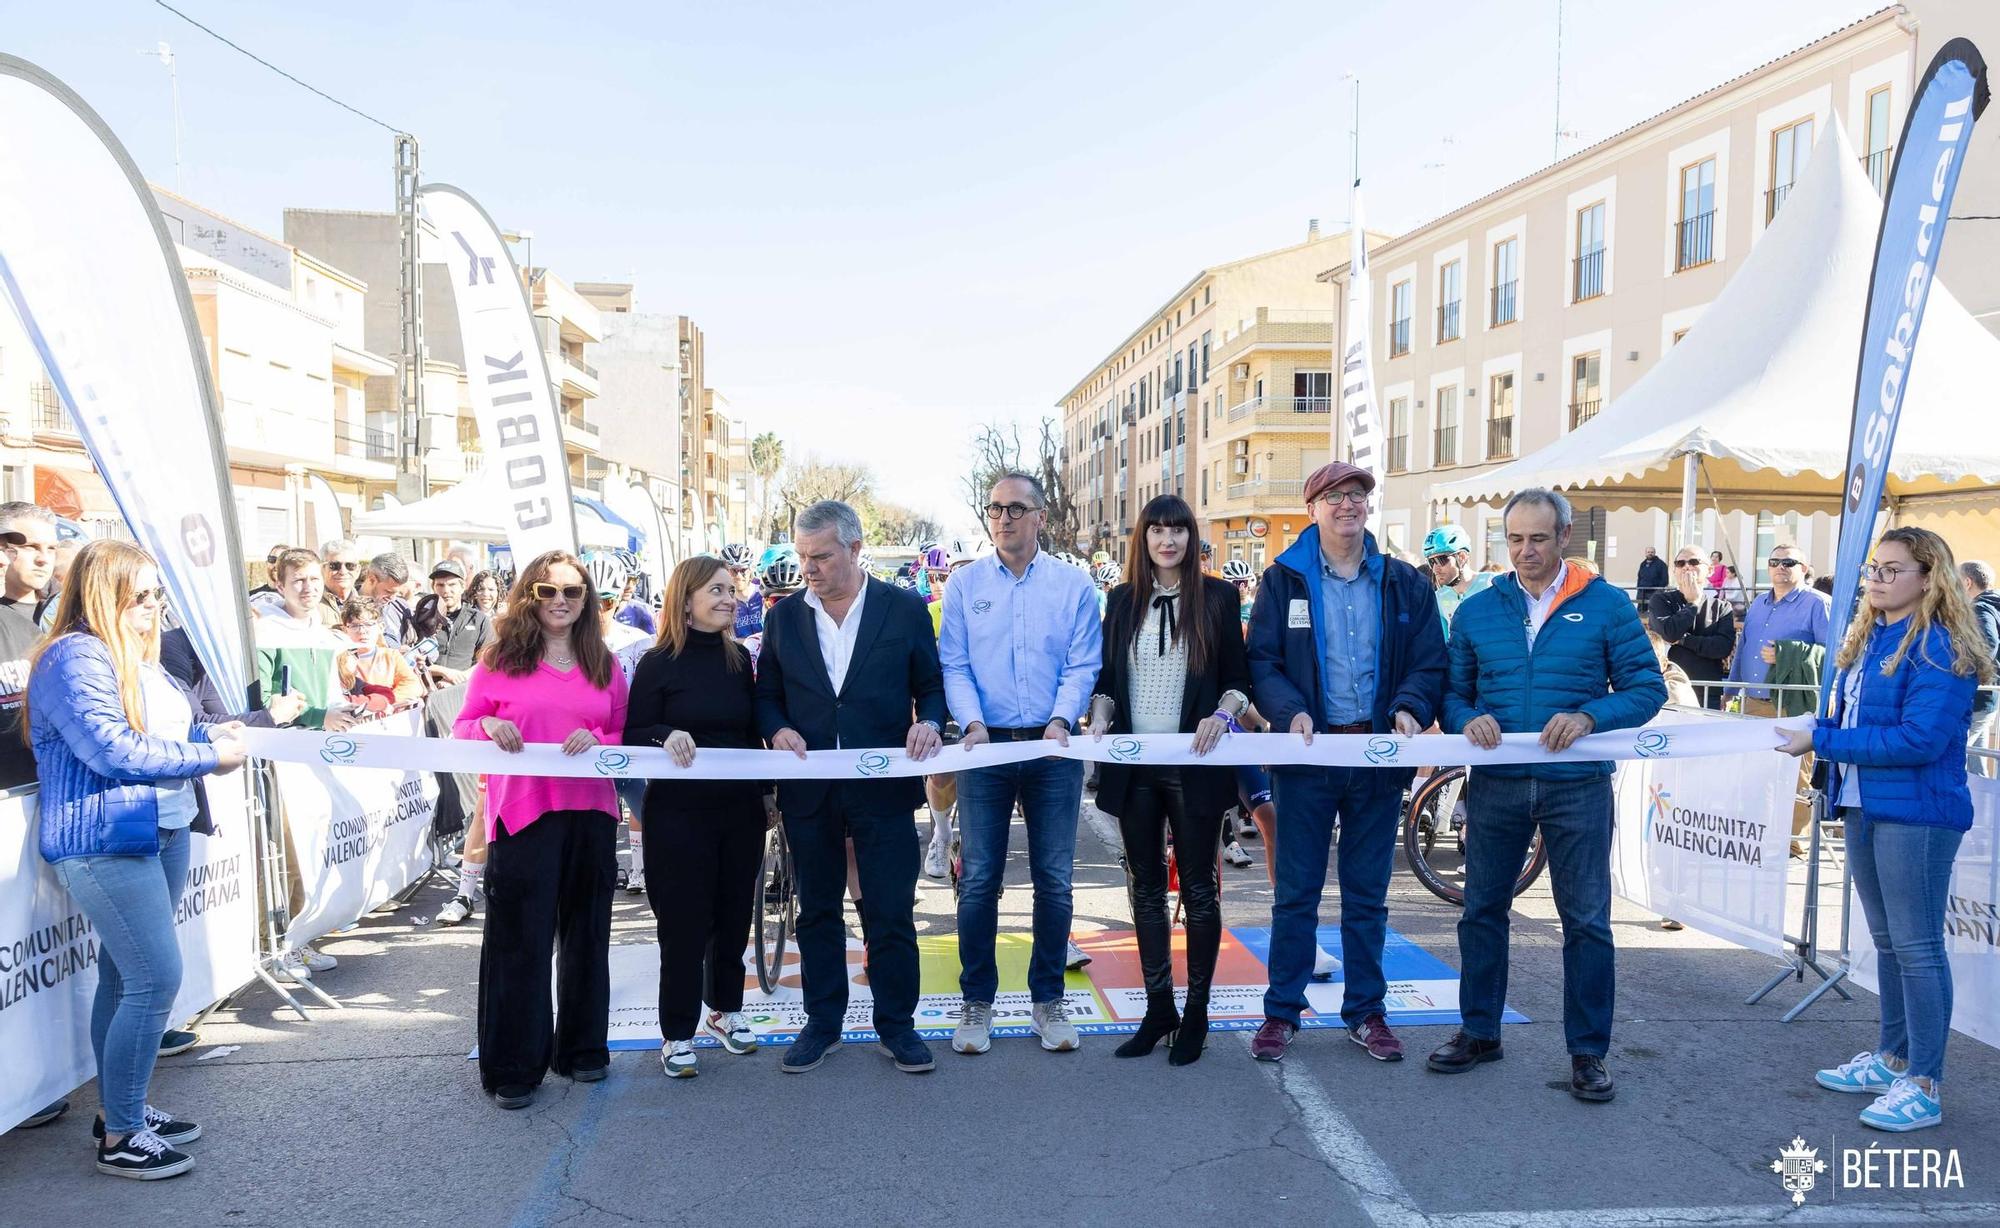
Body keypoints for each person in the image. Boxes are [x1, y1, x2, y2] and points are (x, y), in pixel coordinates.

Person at [1432, 487, 1665, 1101]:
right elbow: (1451, 693)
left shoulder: (1608, 604)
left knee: (1586, 922)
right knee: (1482, 911)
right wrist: (1465, 719)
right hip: (1497, 787)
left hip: (1578, 788)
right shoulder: (1480, 610)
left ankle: (1588, 1053)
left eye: (1538, 538)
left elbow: (1646, 689)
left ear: (1566, 537)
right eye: (1514, 540)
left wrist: (1591, 715)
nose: (1526, 551)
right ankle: (1479, 1030)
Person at [28, 540, 248, 1179]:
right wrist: (211, 757)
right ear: (103, 593)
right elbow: (113, 750)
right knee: (154, 980)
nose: (152, 608)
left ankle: (121, 1111)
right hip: (102, 838)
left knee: (127, 980)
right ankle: (121, 1136)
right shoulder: (75, 656)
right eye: (139, 596)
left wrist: (232, 734)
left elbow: (174, 734)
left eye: (157, 596)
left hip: (163, 828)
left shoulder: (136, 655)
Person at [1781, 528, 1993, 1133]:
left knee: (1918, 947)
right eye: (1874, 568)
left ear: (1930, 578)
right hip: (1864, 805)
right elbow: (1858, 717)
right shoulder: (1873, 636)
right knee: (1891, 942)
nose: (1875, 578)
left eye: (1892, 570)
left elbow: (1918, 740)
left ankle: (1924, 1082)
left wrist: (1821, 738)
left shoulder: (1941, 645)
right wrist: (1820, 728)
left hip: (1918, 814)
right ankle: (1894, 1058)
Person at [1245, 462, 1447, 1064]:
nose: (1347, 506)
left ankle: (1366, 1012)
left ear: (1368, 507)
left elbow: (1428, 660)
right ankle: (1282, 1011)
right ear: (1312, 509)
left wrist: (1411, 706)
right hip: (1308, 757)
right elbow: (1263, 662)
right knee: (1297, 892)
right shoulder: (1283, 581)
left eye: (1357, 495)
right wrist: (1290, 712)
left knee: (1367, 895)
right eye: (1333, 497)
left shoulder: (1404, 582)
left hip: (1376, 759)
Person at [757, 500, 946, 1075]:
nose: (808, 568)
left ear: (855, 549)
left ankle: (898, 1026)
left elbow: (931, 687)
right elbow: (766, 695)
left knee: (889, 911)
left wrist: (930, 722)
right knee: (815, 911)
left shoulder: (904, 609)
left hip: (882, 792)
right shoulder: (784, 617)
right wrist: (779, 727)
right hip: (809, 793)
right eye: (802, 556)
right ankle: (823, 1023)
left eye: (820, 556)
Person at [454, 551, 629, 1110]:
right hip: (523, 814)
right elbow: (460, 728)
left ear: (587, 601)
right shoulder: (498, 660)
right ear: (528, 594)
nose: (559, 601)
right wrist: (487, 722)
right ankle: (513, 1066)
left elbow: (624, 732)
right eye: (547, 591)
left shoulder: (604, 661)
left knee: (586, 937)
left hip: (592, 815)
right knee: (518, 942)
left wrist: (599, 742)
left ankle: (582, 1050)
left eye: (572, 593)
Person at [938, 475, 1102, 1055]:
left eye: (1016, 508)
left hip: (1052, 750)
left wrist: (1061, 720)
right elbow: (953, 664)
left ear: (1040, 516)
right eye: (995, 508)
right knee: (980, 879)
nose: (1003, 518)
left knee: (1053, 882)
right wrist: (973, 723)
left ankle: (1048, 1000)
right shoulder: (964, 585)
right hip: (986, 749)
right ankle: (976, 1002)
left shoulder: (1073, 585)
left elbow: (1083, 664)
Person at [1090, 495, 1251, 1065]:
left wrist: (1222, 715)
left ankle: (1198, 1015)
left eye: (1177, 530)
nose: (1167, 540)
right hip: (1136, 769)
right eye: (1157, 530)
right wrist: (1102, 716)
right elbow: (1108, 679)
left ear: (1190, 537)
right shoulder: (1122, 600)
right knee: (1145, 887)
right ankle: (1159, 1007)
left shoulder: (1217, 598)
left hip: (1195, 767)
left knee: (1200, 890)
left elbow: (1238, 678)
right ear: (1144, 538)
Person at [624, 556, 771, 1077]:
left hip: (739, 811)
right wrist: (667, 734)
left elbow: (752, 733)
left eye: (732, 590)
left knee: (732, 920)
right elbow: (633, 732)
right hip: (678, 817)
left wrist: (769, 796)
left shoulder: (740, 659)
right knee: (684, 928)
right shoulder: (657, 662)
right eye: (717, 590)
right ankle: (676, 1032)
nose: (730, 598)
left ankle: (725, 1012)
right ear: (685, 599)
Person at [250, 547, 359, 982]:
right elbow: (264, 702)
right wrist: (318, 716)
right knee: (285, 853)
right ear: (279, 585)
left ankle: (299, 938)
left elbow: (330, 690)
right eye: (298, 581)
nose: (309, 588)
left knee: (312, 849)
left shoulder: (323, 631)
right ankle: (275, 944)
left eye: (314, 579)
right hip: (283, 753)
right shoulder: (267, 633)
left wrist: (345, 710)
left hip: (317, 752)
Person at [1728, 544, 1830, 855]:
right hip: (1754, 701)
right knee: (1754, 771)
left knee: (1796, 773)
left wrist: (1789, 654)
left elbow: (1836, 654)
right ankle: (1758, 833)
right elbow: (1743, 646)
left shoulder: (1818, 603)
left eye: (1789, 562)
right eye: (1774, 561)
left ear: (1804, 568)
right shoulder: (1759, 602)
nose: (1780, 567)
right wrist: (1731, 689)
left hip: (1794, 703)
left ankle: (1791, 841)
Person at [587, 552, 654, 892]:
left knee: (644, 808)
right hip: (585, 744)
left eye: (608, 601)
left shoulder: (637, 640)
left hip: (627, 740)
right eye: (593, 600)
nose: (600, 610)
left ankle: (643, 868)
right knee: (596, 814)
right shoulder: (564, 640)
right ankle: (602, 869)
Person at [0, 506, 59, 789]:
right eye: (31, 547)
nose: (43, 559)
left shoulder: (69, 617)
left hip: (67, 791)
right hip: (11, 794)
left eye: (51, 548)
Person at [1648, 547, 1737, 710]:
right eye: (1680, 563)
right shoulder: (1660, 601)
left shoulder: (1722, 607)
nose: (1687, 567)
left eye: (1694, 562)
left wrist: (1683, 640)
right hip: (1668, 690)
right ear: (1674, 570)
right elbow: (1668, 633)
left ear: (1710, 570)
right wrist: (1693, 603)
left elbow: (1722, 648)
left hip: (1706, 693)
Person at [408, 560, 494, 686]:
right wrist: (444, 672)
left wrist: (459, 678)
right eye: (440, 585)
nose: (446, 590)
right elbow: (410, 659)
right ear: (433, 587)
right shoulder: (420, 618)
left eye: (452, 584)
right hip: (427, 689)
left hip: (464, 690)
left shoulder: (479, 620)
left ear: (462, 586)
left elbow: (487, 660)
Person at [335, 596, 424, 714]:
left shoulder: (391, 656)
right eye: (354, 625)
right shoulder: (338, 658)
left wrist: (385, 703)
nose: (362, 631)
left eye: (368, 624)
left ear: (380, 628)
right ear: (345, 630)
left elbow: (412, 685)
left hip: (385, 717)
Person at [1423, 523, 1491, 639]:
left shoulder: (1491, 583)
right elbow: (1445, 643)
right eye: (1431, 562)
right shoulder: (1439, 597)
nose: (1435, 569)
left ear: (1462, 557)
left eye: (1441, 560)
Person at [1962, 560, 1998, 769]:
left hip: (1978, 696)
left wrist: (1965, 670)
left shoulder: (1980, 608)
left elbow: (1989, 643)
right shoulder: (1994, 605)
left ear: (1967, 582)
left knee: (1953, 754)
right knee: (1977, 762)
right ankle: (1985, 802)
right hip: (1986, 699)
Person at [361, 552, 416, 648]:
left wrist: (418, 653)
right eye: (388, 591)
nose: (393, 598)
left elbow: (428, 641)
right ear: (371, 580)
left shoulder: (400, 607)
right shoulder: (346, 607)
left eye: (397, 593)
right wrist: (394, 653)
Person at [719, 544, 764, 640]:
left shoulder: (763, 593)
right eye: (733, 571)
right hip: (740, 653)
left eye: (743, 570)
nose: (739, 576)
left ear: (750, 570)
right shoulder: (722, 602)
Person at [318, 539, 363, 629]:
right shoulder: (310, 603)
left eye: (350, 566)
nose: (343, 571)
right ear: (322, 569)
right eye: (334, 566)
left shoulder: (367, 605)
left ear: (358, 570)